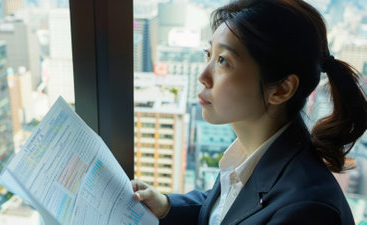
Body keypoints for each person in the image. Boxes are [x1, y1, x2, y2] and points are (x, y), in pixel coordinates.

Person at [131, 0, 367, 224]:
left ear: (281, 89)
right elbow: (229, 209)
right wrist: (166, 206)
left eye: (223, 61)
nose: (202, 76)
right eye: (209, 55)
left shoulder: (307, 212)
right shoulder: (251, 154)